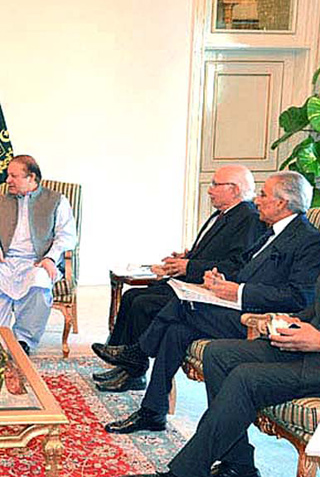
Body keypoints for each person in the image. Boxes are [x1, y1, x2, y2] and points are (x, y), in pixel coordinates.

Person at [101, 171, 320, 435]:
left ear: (282, 203)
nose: (257, 200)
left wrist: (239, 291)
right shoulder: (271, 232)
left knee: (183, 305)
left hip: (260, 321)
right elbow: (244, 268)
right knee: (175, 331)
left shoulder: (307, 239)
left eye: (263, 194)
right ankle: (153, 411)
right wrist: (219, 281)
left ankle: (138, 353)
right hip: (237, 308)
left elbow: (299, 297)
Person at [122, 275, 320, 477]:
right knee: (219, 354)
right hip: (308, 346)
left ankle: (185, 473)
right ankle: (238, 465)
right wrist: (297, 320)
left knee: (246, 378)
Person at [92, 165, 266, 392]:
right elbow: (216, 252)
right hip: (192, 279)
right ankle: (126, 365)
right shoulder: (224, 213)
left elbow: (236, 265)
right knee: (132, 296)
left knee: (143, 303)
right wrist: (187, 257)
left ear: (234, 189)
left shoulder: (248, 218)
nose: (209, 190)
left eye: (215, 184)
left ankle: (133, 369)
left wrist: (189, 266)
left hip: (206, 289)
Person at [0, 155, 77, 353]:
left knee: (39, 282)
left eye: (14, 176)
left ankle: (24, 341)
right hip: (6, 260)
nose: (7, 181)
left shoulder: (56, 201)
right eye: (8, 175)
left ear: (31, 178)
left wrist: (50, 258)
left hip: (37, 262)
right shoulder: (1, 202)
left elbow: (67, 236)